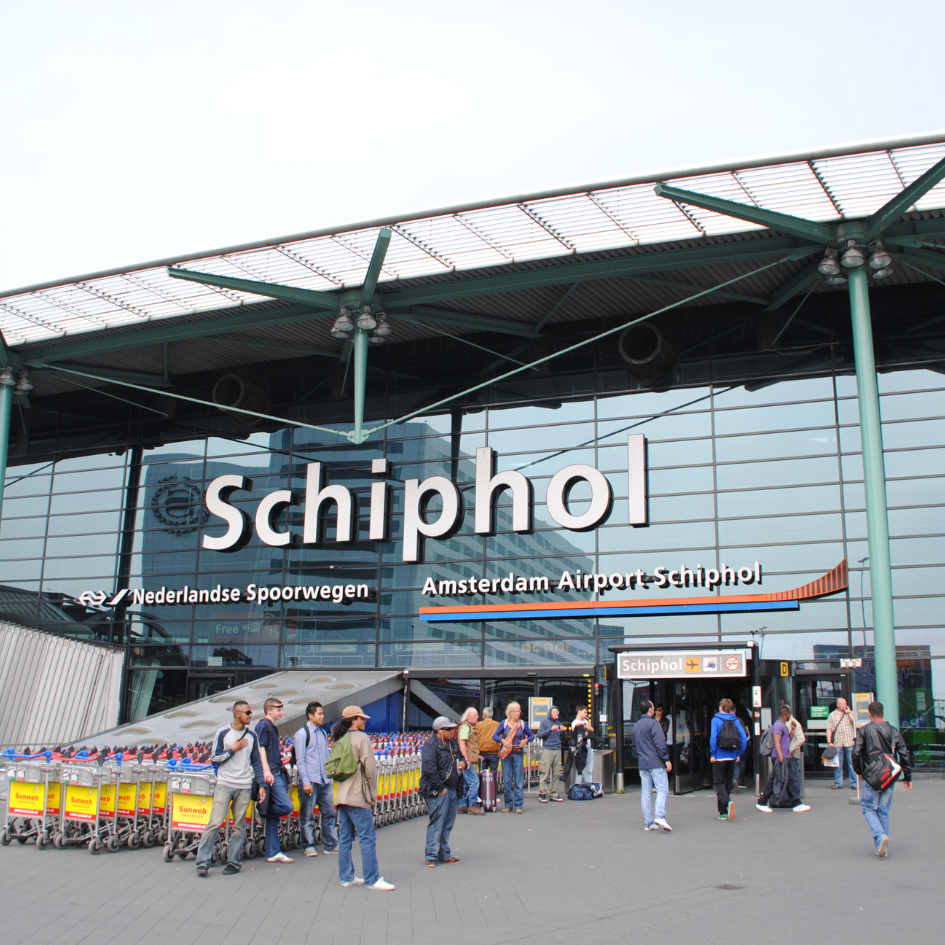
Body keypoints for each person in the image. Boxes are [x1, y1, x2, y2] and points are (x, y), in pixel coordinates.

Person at [196, 701, 266, 877]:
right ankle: (202, 861)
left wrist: (262, 785)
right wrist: (232, 750)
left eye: (251, 712)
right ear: (237, 714)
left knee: (239, 826)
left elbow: (256, 761)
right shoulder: (223, 733)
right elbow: (214, 759)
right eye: (248, 712)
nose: (251, 716)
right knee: (215, 822)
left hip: (244, 785)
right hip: (225, 783)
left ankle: (234, 862)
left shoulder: (252, 736)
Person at [332, 705, 394, 890]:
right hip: (358, 794)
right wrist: (373, 793)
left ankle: (346, 877)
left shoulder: (339, 739)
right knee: (367, 837)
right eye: (361, 718)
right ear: (353, 720)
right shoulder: (362, 738)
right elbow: (370, 769)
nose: (364, 720)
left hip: (342, 793)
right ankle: (372, 879)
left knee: (345, 838)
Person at [852, 701, 913, 857]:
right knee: (883, 811)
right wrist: (907, 777)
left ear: (869, 714)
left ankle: (880, 837)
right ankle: (882, 846)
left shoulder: (864, 731)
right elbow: (904, 753)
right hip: (889, 775)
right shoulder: (893, 731)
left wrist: (859, 771)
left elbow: (855, 753)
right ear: (883, 713)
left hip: (871, 776)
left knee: (868, 807)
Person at [293, 700, 338, 857]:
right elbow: (300, 760)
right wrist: (305, 782)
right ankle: (308, 845)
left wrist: (329, 775)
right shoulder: (302, 734)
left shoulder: (322, 733)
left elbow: (326, 756)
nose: (322, 716)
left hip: (324, 780)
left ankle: (331, 844)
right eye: (319, 714)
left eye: (322, 713)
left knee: (329, 813)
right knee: (307, 815)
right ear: (310, 715)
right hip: (311, 780)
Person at [419, 716, 466, 866]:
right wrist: (440, 789)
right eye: (449, 729)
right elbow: (429, 769)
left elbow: (461, 757)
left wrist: (463, 763)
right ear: (440, 731)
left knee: (448, 823)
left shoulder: (452, 743)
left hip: (453, 789)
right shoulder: (431, 745)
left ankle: (444, 853)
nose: (452, 731)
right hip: (438, 791)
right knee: (437, 822)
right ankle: (431, 855)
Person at [255, 697, 295, 864]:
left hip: (275, 770)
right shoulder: (264, 725)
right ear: (269, 710)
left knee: (273, 817)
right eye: (278, 709)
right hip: (272, 773)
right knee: (287, 805)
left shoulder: (269, 726)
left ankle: (273, 852)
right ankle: (262, 810)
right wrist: (266, 770)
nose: (281, 712)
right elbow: (260, 747)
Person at [756, 706, 810, 813]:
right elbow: (777, 741)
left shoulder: (783, 725)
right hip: (781, 758)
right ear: (787, 715)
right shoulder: (778, 726)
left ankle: (796, 803)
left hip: (785, 757)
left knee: (788, 779)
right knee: (777, 780)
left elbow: (787, 739)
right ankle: (762, 802)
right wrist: (780, 755)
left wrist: (793, 731)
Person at [634, 700, 673, 832]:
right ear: (651, 710)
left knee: (646, 793)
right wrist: (666, 759)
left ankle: (648, 822)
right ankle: (660, 816)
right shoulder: (654, 724)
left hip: (643, 763)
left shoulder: (636, 726)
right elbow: (660, 743)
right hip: (656, 763)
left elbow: (634, 746)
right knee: (662, 789)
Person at [709, 698, 748, 822]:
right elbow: (744, 738)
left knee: (718, 783)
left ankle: (728, 802)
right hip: (732, 756)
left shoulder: (715, 720)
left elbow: (713, 738)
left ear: (721, 708)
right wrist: (738, 753)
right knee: (727, 783)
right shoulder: (735, 720)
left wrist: (713, 753)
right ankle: (723, 812)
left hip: (719, 757)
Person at [494, 701, 535, 813]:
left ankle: (518, 805)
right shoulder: (504, 723)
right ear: (510, 713)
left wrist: (525, 740)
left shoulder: (522, 724)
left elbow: (531, 736)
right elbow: (495, 736)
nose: (518, 713)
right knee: (507, 780)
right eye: (516, 711)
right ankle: (508, 805)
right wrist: (502, 740)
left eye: (519, 711)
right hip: (506, 754)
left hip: (518, 753)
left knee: (518, 780)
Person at [536, 705, 566, 803]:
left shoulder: (559, 723)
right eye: (554, 712)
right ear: (550, 713)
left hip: (557, 749)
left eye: (557, 712)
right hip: (548, 749)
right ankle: (542, 793)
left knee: (556, 773)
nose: (556, 714)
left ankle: (554, 793)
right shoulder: (544, 722)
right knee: (545, 771)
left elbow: (564, 738)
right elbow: (539, 735)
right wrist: (550, 729)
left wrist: (564, 731)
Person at [827, 697, 858, 790]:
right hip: (838, 742)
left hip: (850, 741)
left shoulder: (850, 713)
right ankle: (838, 782)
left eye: (845, 703)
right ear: (838, 705)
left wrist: (849, 714)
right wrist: (829, 742)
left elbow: (856, 724)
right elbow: (829, 729)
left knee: (851, 762)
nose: (845, 705)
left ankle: (854, 783)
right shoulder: (832, 715)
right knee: (838, 763)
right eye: (842, 704)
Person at [457, 707, 484, 815]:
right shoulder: (466, 727)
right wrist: (466, 760)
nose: (477, 717)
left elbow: (468, 745)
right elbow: (462, 743)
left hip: (469, 760)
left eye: (477, 715)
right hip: (467, 761)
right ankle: (473, 805)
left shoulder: (469, 726)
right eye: (475, 715)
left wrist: (475, 756)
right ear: (468, 716)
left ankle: (462, 805)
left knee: (466, 784)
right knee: (474, 782)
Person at [784, 705, 807, 808]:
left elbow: (801, 739)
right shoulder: (784, 722)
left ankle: (795, 800)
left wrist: (791, 749)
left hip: (792, 755)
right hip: (787, 754)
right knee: (788, 777)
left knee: (793, 778)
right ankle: (791, 799)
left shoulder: (794, 723)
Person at [571, 706, 599, 784]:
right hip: (580, 748)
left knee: (589, 770)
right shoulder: (575, 723)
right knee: (580, 769)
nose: (586, 714)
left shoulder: (585, 721)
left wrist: (584, 725)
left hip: (588, 747)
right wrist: (584, 725)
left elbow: (592, 729)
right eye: (584, 712)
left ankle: (588, 785)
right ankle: (578, 786)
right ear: (579, 711)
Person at [476, 707, 500, 786]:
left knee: (482, 774)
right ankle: (493, 793)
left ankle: (483, 792)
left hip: (481, 753)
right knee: (494, 774)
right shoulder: (497, 725)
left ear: (484, 715)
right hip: (494, 753)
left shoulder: (478, 725)